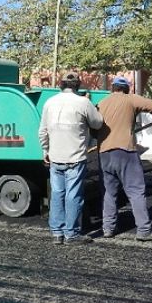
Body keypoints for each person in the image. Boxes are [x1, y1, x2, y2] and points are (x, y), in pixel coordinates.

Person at [97, 77, 152, 241]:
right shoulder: (130, 99)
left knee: (108, 193)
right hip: (125, 151)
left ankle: (108, 228)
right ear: (126, 89)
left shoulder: (102, 103)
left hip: (104, 153)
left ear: (113, 88)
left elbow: (94, 127)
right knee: (136, 191)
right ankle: (144, 230)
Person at [38, 72, 104, 245]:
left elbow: (42, 131)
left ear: (61, 85)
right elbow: (98, 123)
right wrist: (92, 105)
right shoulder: (83, 102)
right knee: (73, 195)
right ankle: (72, 234)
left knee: (57, 194)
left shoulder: (50, 102)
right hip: (75, 158)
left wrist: (45, 150)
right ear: (77, 85)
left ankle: (57, 233)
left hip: (55, 157)